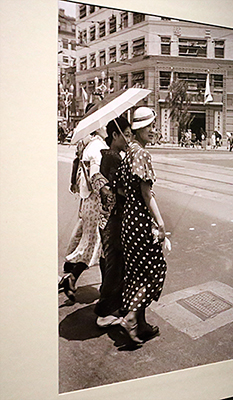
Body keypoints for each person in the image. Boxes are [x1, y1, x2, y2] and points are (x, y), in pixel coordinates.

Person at [117, 107, 167, 344]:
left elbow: (119, 188)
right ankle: (130, 318)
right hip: (141, 223)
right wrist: (160, 222)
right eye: (148, 126)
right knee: (155, 271)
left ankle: (142, 324)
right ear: (138, 129)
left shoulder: (128, 153)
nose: (152, 130)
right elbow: (147, 194)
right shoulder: (142, 155)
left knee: (137, 273)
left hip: (128, 223)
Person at [59, 128, 108, 301]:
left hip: (90, 202)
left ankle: (77, 279)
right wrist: (106, 193)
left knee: (95, 246)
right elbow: (95, 177)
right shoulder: (96, 148)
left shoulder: (92, 145)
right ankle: (75, 279)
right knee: (97, 246)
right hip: (95, 203)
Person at [93, 116, 132, 327]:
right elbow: (121, 189)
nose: (128, 139)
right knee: (115, 264)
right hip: (114, 219)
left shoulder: (109, 155)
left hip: (108, 217)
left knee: (111, 260)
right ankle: (104, 312)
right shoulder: (114, 158)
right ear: (114, 135)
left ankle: (110, 301)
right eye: (125, 134)